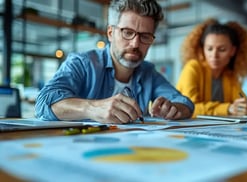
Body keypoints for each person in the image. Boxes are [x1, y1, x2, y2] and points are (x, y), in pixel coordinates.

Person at [35, 0, 194, 124]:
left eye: (145, 36)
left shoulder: (148, 72)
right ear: (110, 33)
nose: (135, 44)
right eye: (127, 32)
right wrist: (93, 108)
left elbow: (184, 102)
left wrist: (175, 109)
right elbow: (43, 102)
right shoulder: (82, 63)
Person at [176, 19, 247, 118]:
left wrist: (245, 107)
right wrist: (228, 108)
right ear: (202, 49)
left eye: (222, 49)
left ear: (232, 51)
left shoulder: (229, 75)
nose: (214, 55)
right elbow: (189, 108)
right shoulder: (192, 68)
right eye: (209, 49)